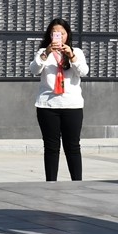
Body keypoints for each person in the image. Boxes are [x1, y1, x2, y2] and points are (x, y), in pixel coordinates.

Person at [29, 17, 89, 182]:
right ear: (49, 35)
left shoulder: (76, 52)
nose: (58, 36)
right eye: (55, 33)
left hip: (72, 105)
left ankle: (77, 182)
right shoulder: (43, 53)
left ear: (67, 35)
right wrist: (46, 53)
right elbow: (33, 70)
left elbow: (84, 72)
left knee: (73, 147)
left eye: (62, 33)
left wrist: (72, 57)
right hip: (47, 105)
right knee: (51, 147)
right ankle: (50, 182)